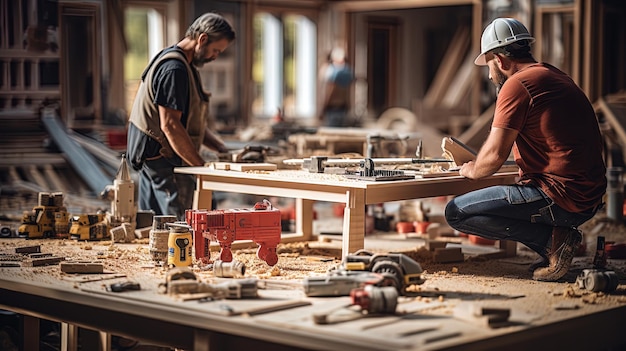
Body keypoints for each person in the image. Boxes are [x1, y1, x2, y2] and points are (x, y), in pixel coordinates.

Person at [444, 18, 606, 282]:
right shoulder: (553, 75)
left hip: (561, 196)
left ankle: (553, 241)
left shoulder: (517, 85)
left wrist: (468, 169)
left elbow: (493, 159)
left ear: (501, 60)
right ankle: (555, 241)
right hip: (588, 195)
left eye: (489, 65)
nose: (488, 74)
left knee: (456, 212)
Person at [127, 13, 235, 219]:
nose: (215, 57)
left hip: (155, 156)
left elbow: (189, 123)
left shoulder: (182, 63)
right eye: (215, 50)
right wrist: (201, 168)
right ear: (202, 39)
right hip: (162, 157)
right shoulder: (174, 69)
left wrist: (220, 148)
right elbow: (170, 125)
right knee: (181, 223)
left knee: (155, 225)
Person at [319, 47, 355, 127]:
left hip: (332, 108)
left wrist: (323, 108)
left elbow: (329, 91)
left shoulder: (331, 72)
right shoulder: (348, 72)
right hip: (343, 108)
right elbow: (348, 92)